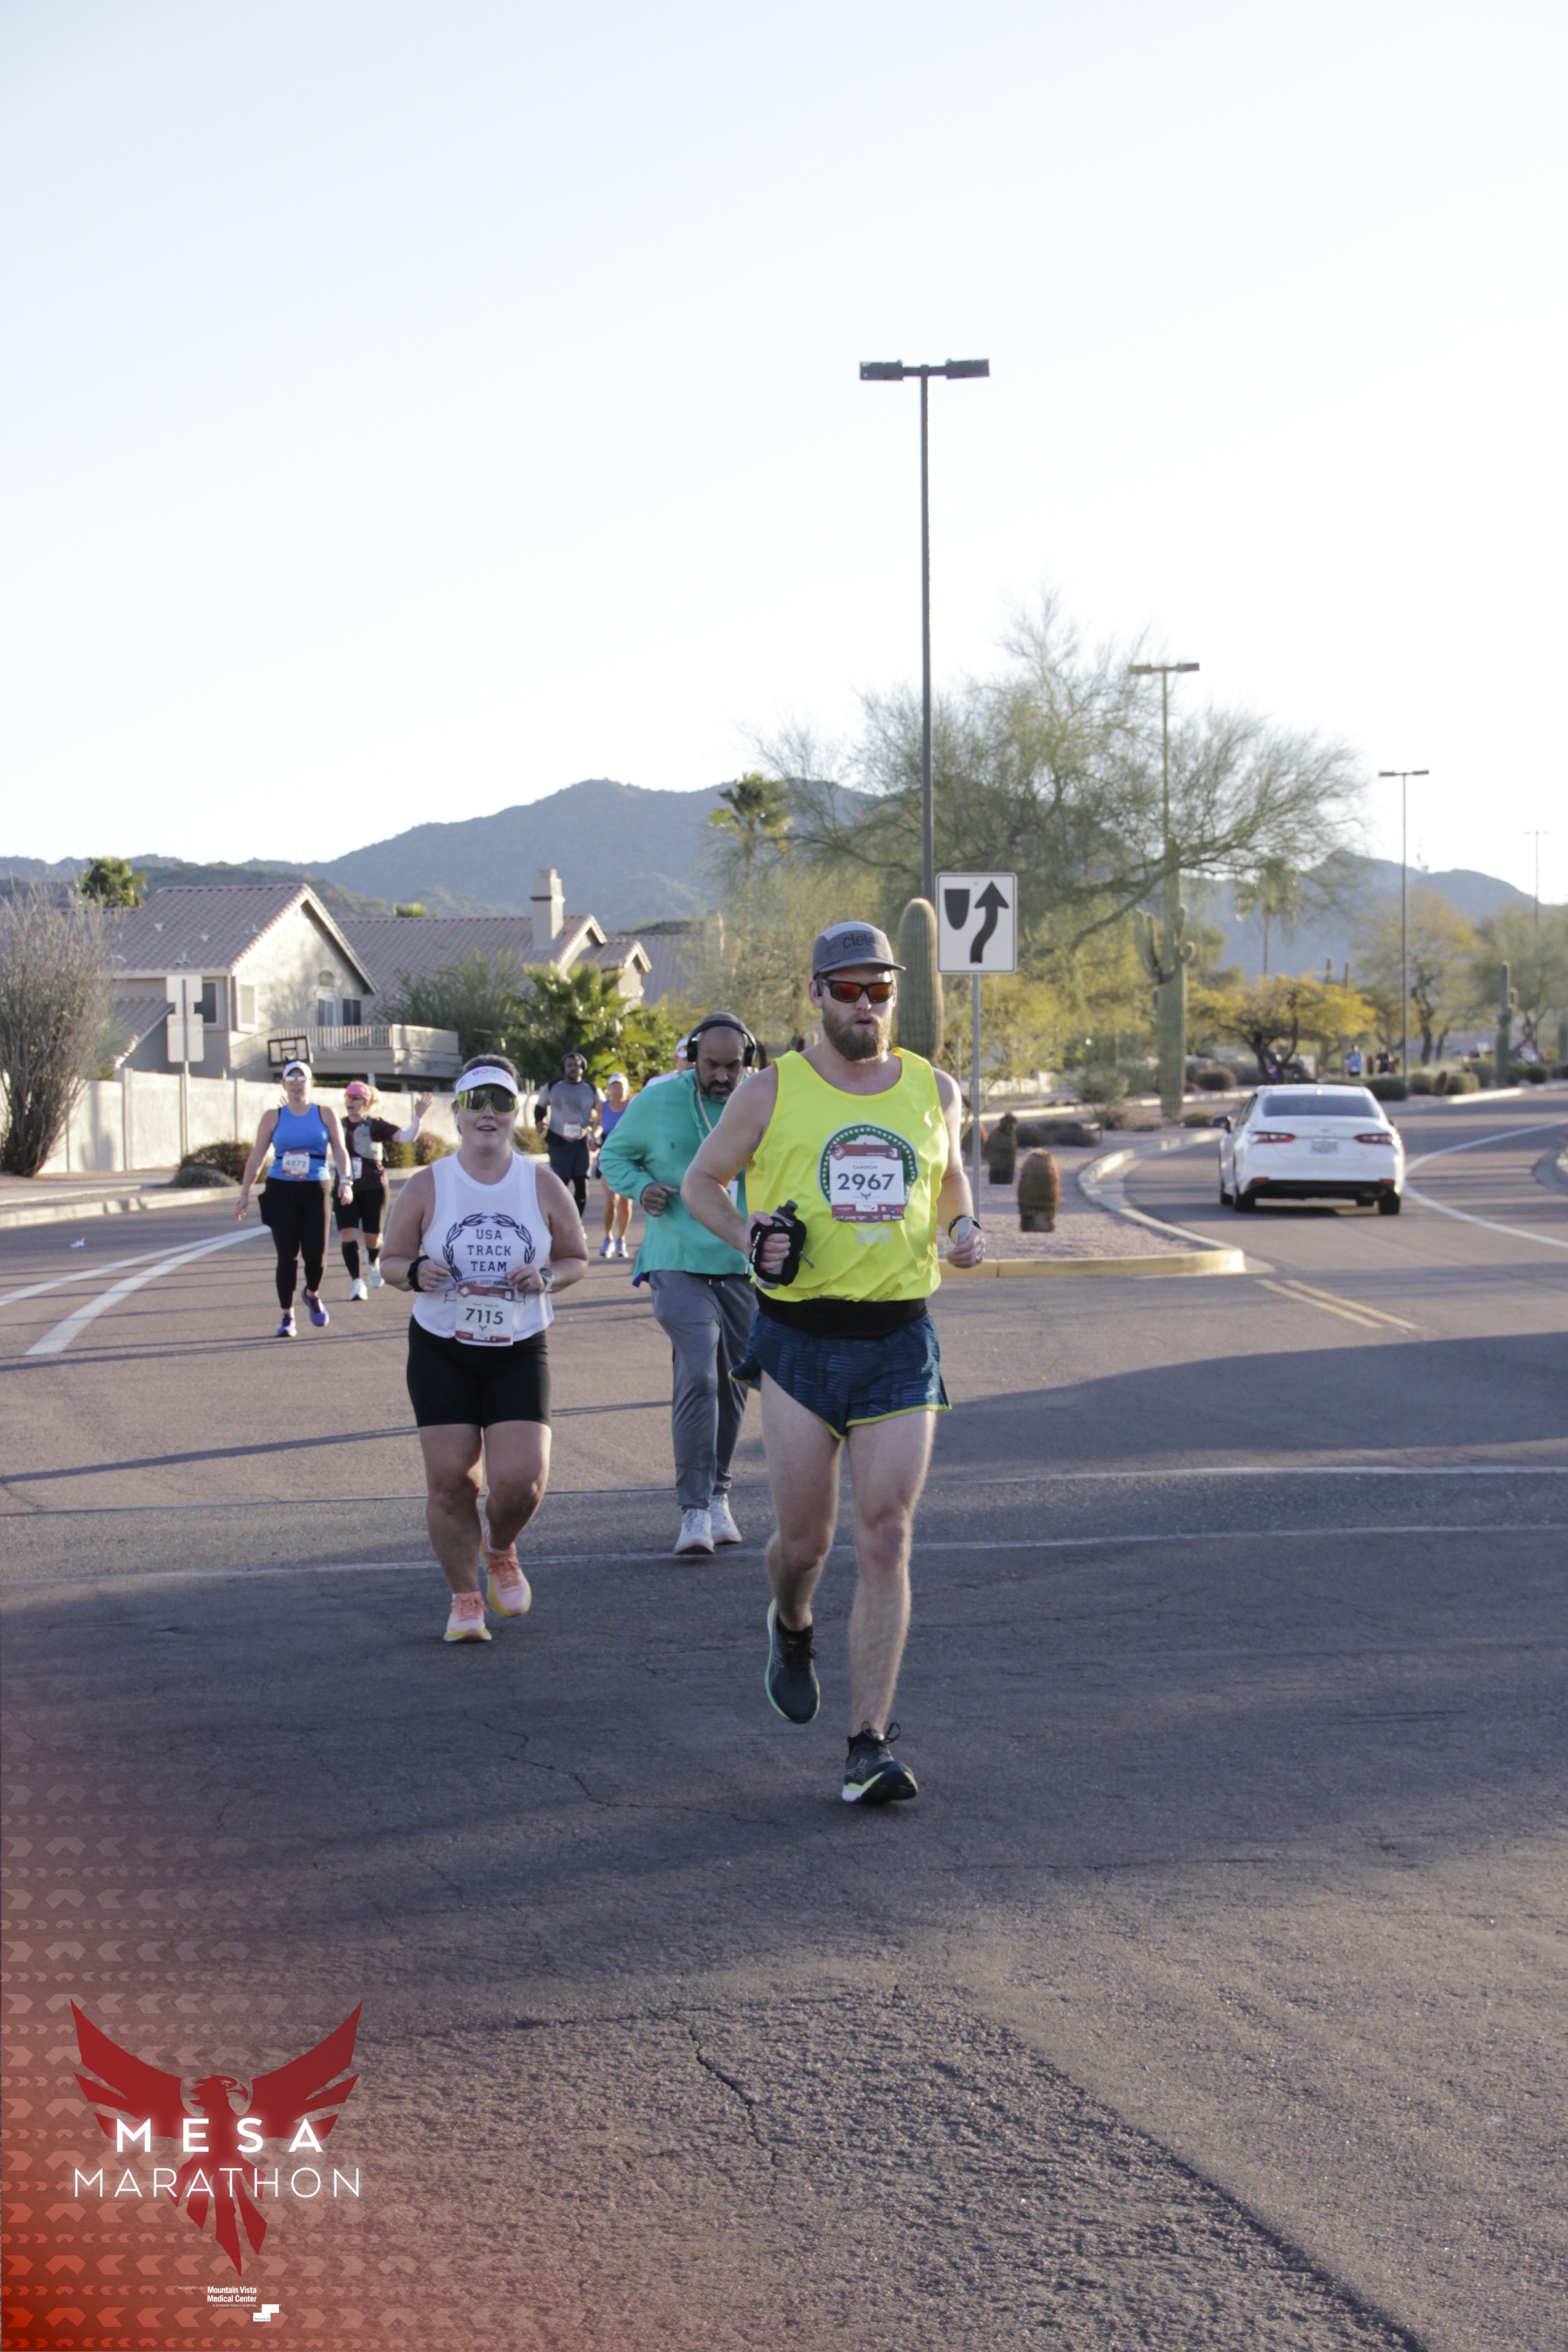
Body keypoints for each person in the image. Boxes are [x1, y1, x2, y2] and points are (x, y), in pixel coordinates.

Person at [682, 921, 985, 1805]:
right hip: (799, 1340)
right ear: (815, 994)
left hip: (900, 1338)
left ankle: (868, 1745)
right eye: (847, 990)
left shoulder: (935, 1088)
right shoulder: (771, 1091)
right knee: (807, 1542)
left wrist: (962, 1224)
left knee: (886, 1534)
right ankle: (790, 1619)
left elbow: (950, 1175)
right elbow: (702, 1183)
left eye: (879, 990)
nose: (865, 1005)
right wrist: (747, 1235)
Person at [381, 1054, 589, 1643]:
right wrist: (414, 1271)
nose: (489, 1114)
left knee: (522, 1483)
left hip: (518, 1345)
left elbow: (575, 1258)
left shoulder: (542, 1183)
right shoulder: (428, 1184)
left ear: (515, 1111)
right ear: (459, 1112)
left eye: (501, 1101)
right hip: (442, 1347)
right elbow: (390, 1261)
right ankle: (466, 1599)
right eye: (477, 1102)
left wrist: (545, 1277)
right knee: (452, 1483)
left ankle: (500, 1547)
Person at [598, 1015, 757, 1556]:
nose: (721, 1076)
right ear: (692, 1056)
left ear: (748, 1062)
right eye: (711, 1064)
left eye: (733, 1066)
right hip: (676, 1258)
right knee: (699, 1371)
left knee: (733, 1382)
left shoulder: (760, 1102)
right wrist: (641, 1187)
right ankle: (693, 1510)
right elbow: (613, 1156)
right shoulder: (657, 1100)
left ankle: (718, 1496)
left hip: (739, 1261)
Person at [235, 1060, 353, 1337]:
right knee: (287, 1255)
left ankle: (311, 1293)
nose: (297, 1085)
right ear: (284, 1085)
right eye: (292, 1079)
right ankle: (287, 1316)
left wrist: (346, 1181)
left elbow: (340, 1150)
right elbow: (257, 1156)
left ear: (311, 1084)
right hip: (281, 1189)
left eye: (302, 1080)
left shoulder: (325, 1114)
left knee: (316, 1257)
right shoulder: (272, 1117)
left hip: (316, 1188)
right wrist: (244, 1194)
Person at [336, 1082, 434, 1298]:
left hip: (374, 1188)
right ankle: (357, 1282)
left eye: (356, 1097)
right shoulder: (336, 1125)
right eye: (348, 1097)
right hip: (345, 1187)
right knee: (348, 1235)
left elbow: (407, 1137)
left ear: (366, 1102)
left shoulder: (375, 1126)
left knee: (374, 1240)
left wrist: (418, 1117)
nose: (350, 1101)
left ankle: (373, 1260)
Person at [534, 1053, 602, 1215]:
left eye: (576, 1065)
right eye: (569, 1065)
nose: (573, 1068)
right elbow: (540, 1107)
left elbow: (603, 1111)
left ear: (582, 1068)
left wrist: (595, 1124)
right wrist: (539, 1122)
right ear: (564, 1068)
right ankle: (558, 1220)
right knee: (558, 1184)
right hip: (559, 1141)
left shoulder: (592, 1089)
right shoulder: (552, 1086)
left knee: (582, 1184)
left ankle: (578, 1222)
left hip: (581, 1142)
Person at [594, 1073, 634, 1259]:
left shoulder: (633, 1106)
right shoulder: (602, 1107)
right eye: (614, 1087)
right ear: (609, 1089)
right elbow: (599, 1126)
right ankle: (608, 1238)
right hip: (608, 1157)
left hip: (629, 1157)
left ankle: (621, 1240)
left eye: (621, 1087)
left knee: (626, 1201)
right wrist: (594, 1136)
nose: (618, 1091)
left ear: (626, 1089)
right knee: (611, 1200)